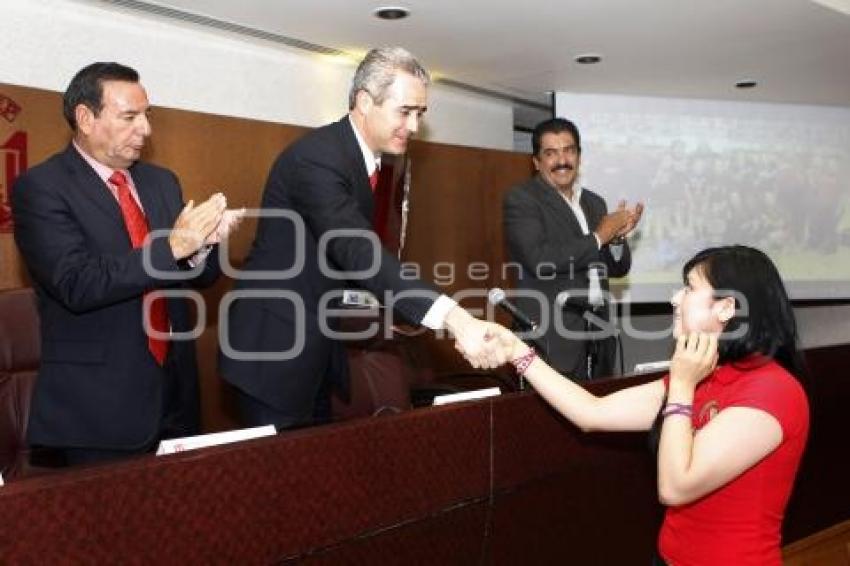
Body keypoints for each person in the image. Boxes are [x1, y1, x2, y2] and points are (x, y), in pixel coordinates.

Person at [218, 47, 506, 430]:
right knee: (278, 483)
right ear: (365, 102)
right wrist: (454, 319)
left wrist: (402, 312)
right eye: (405, 112)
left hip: (314, 348)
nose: (415, 126)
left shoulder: (359, 161)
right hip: (273, 354)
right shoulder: (319, 158)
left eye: (420, 114)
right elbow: (358, 252)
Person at [486, 245, 809, 565]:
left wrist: (682, 385)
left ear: (725, 308)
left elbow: (676, 487)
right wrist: (518, 352)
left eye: (689, 289)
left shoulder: (772, 390)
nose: (675, 299)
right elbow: (591, 412)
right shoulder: (705, 376)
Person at [12, 62, 240, 466]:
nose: (146, 130)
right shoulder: (42, 188)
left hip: (175, 394)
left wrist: (205, 244)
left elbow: (197, 278)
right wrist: (173, 246)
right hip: (96, 410)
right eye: (129, 117)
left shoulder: (161, 182)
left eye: (147, 116)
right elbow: (77, 283)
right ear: (85, 118)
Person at [503, 118, 643, 379]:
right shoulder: (522, 199)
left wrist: (615, 240)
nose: (562, 160)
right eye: (551, 153)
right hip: (551, 338)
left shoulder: (594, 202)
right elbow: (539, 260)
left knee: (599, 418)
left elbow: (617, 269)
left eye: (569, 150)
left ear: (579, 156)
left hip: (599, 334)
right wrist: (601, 235)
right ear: (536, 162)